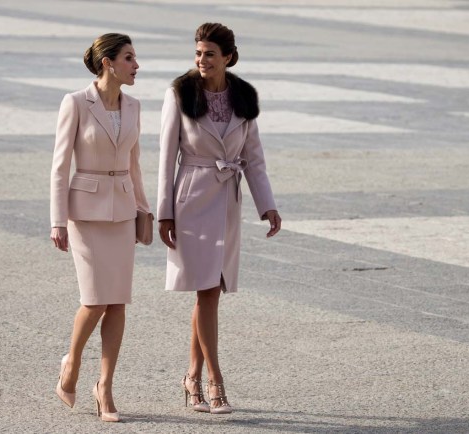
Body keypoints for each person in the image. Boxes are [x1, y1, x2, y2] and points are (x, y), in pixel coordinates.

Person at [157, 23, 281, 415]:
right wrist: (164, 213)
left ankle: (191, 378)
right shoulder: (179, 93)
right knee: (207, 291)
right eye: (197, 53)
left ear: (228, 56)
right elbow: (164, 159)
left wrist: (268, 206)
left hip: (227, 201)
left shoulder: (244, 97)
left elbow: (255, 159)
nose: (201, 60)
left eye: (209, 53)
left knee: (209, 292)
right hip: (191, 201)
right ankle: (215, 381)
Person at [50, 33, 149, 423]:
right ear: (108, 62)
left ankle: (104, 386)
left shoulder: (135, 106)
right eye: (129, 58)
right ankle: (72, 362)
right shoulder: (75, 102)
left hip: (123, 211)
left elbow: (136, 163)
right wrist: (57, 219)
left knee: (118, 301)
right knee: (95, 300)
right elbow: (60, 167)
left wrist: (144, 209)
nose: (136, 65)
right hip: (85, 213)